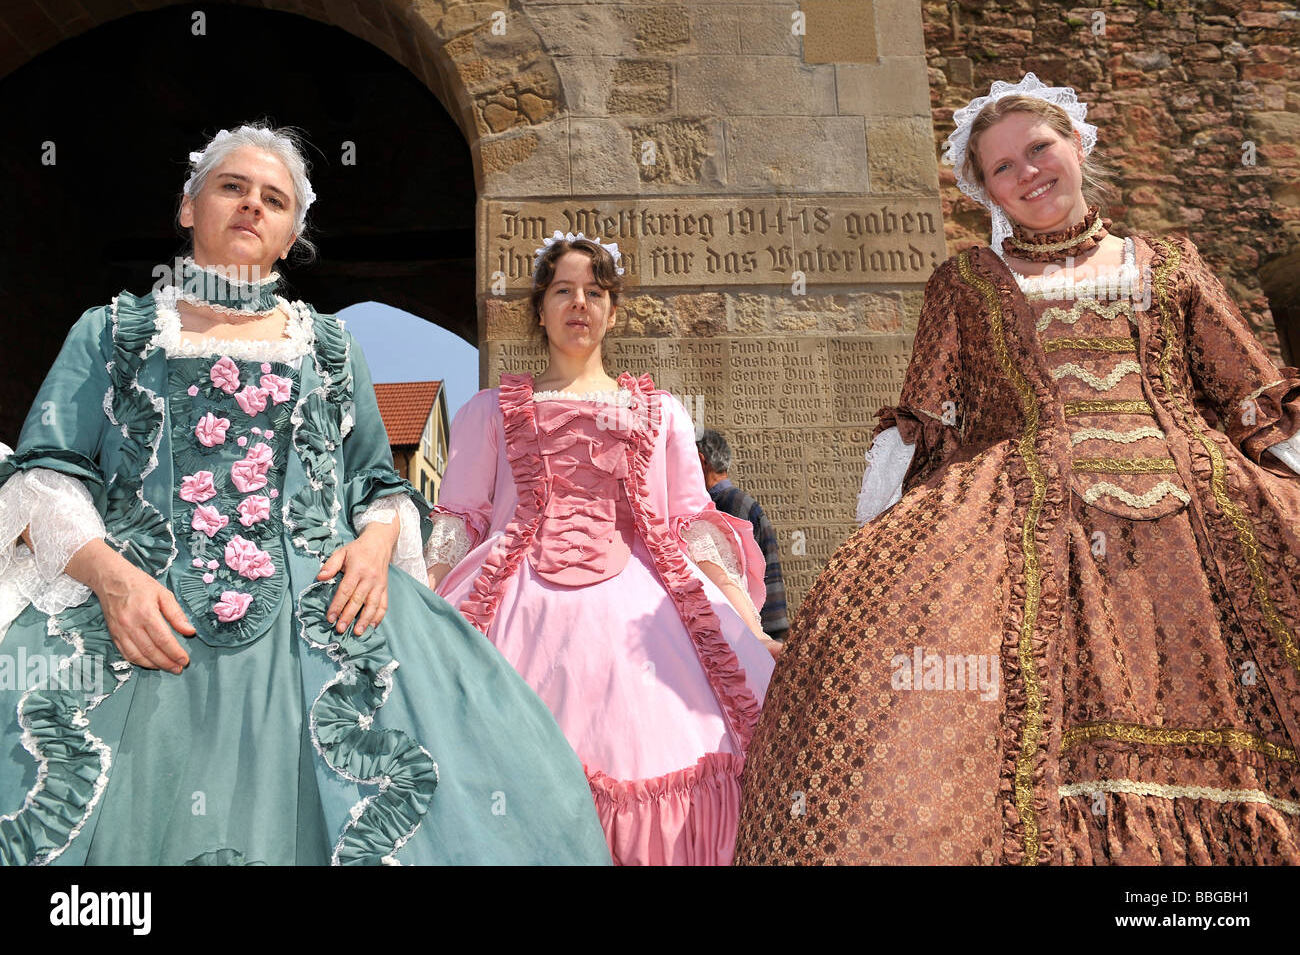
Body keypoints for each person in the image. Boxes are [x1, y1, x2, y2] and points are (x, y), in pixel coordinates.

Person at [0, 124, 610, 865]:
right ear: (188, 207)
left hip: (318, 618)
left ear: (292, 236)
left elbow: (376, 482)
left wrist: (377, 544)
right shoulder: (112, 332)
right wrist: (111, 578)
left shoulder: (329, 346)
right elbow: (48, 471)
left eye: (274, 198)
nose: (252, 205)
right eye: (232, 187)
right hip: (137, 618)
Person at [734, 74, 1300, 865]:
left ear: (1078, 147)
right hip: (1031, 529)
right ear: (985, 190)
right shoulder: (966, 284)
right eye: (1004, 166)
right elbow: (928, 422)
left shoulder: (1172, 265)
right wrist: (883, 554)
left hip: (1201, 531)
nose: (1029, 172)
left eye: (1039, 148)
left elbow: (1249, 396)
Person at [426, 232, 778, 865]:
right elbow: (461, 523)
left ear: (613, 312)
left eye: (594, 292)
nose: (579, 304)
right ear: (540, 310)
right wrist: (419, 610)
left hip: (646, 615)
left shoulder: (662, 412)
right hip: (514, 610)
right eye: (563, 290)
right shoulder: (489, 411)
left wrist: (747, 625)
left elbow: (690, 525)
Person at [696, 428, 789, 641]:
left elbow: (735, 577)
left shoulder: (729, 506)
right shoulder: (735, 502)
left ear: (701, 461)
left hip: (755, 631)